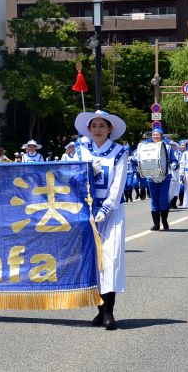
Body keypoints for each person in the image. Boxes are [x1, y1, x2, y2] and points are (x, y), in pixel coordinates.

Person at [72, 110, 128, 331]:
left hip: (111, 212)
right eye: (93, 125)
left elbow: (118, 184)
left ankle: (109, 312)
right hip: (86, 211)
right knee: (92, 261)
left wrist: (105, 208)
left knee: (110, 260)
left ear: (109, 129)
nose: (97, 129)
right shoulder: (80, 149)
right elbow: (69, 177)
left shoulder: (119, 152)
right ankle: (99, 309)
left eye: (101, 126)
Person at [140, 128, 177, 231]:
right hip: (151, 176)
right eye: (154, 135)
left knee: (164, 199)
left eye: (157, 135)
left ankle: (164, 220)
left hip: (165, 177)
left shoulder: (168, 147)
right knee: (154, 199)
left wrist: (174, 164)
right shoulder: (147, 147)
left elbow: (174, 160)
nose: (155, 136)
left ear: (161, 136)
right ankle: (156, 224)